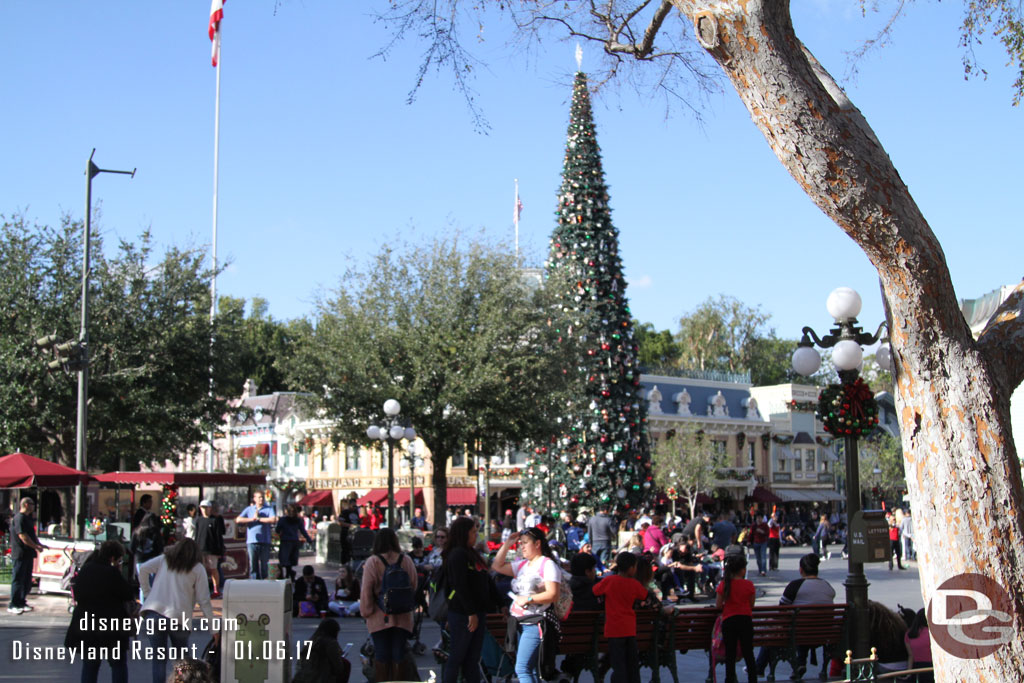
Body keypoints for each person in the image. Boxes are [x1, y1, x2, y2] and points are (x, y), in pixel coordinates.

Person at [139, 538, 218, 683]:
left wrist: (147, 593)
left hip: (154, 613)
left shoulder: (165, 560)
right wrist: (213, 629)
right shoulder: (197, 568)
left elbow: (143, 568)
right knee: (183, 661)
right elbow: (204, 601)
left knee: (158, 659)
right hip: (178, 618)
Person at [492, 528, 560, 683]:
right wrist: (508, 543)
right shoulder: (523, 565)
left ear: (537, 544)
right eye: (520, 543)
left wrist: (528, 599)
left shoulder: (547, 564)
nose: (521, 546)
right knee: (532, 669)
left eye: (525, 543)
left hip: (536, 622)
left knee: (522, 669)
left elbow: (553, 594)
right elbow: (497, 565)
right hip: (522, 623)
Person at [754, 553, 835, 677]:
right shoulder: (827, 586)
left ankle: (759, 667)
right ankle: (800, 662)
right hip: (823, 633)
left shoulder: (795, 586)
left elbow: (782, 611)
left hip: (799, 633)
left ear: (801, 570)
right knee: (805, 622)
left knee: (774, 627)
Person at [64, 540, 134, 683]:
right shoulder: (112, 572)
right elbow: (127, 594)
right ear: (113, 558)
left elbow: (77, 593)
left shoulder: (86, 568)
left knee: (90, 665)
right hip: (111, 625)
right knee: (118, 664)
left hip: (87, 624)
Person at [441, 516, 497, 683]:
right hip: (463, 613)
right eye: (473, 532)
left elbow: (486, 580)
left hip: (477, 611)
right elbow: (460, 585)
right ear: (463, 534)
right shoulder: (457, 554)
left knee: (472, 660)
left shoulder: (471, 553)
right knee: (457, 657)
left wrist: (500, 604)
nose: (476, 536)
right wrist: (470, 612)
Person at [359, 528, 418, 682]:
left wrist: (366, 611)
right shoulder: (406, 560)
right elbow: (414, 584)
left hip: (379, 616)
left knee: (381, 654)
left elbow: (366, 590)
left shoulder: (373, 562)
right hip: (403, 615)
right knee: (399, 653)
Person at [593, 552, 649, 683]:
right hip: (629, 628)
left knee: (618, 664)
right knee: (632, 663)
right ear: (631, 568)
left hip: (613, 628)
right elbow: (645, 596)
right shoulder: (634, 584)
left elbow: (595, 591)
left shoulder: (609, 581)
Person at [715, 554, 757, 683]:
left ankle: (730, 678)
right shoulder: (749, 585)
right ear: (743, 570)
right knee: (748, 652)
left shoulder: (724, 585)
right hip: (745, 620)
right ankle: (752, 678)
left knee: (730, 652)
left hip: (729, 621)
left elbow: (718, 605)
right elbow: (751, 604)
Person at [9, 498, 45, 615]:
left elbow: (32, 535)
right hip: (20, 553)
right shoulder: (19, 518)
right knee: (18, 579)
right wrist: (35, 546)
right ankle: (13, 604)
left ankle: (21, 601)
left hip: (28, 554)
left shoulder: (28, 519)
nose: (34, 506)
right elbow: (23, 536)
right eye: (32, 504)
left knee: (26, 580)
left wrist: (39, 544)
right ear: (25, 505)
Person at [292, 618, 352, 683]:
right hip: (321, 679)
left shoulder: (310, 642)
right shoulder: (330, 643)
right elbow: (339, 668)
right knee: (346, 664)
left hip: (301, 679)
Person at [236, 491, 278, 580]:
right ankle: (254, 584)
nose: (261, 499)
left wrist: (259, 519)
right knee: (253, 566)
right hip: (252, 541)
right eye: (259, 497)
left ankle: (265, 583)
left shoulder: (268, 509)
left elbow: (273, 519)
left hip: (264, 541)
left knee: (264, 565)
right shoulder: (249, 509)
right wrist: (252, 519)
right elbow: (238, 519)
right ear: (254, 499)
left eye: (262, 497)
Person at [131, 507, 165, 598]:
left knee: (143, 586)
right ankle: (152, 605)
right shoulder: (155, 531)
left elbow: (132, 547)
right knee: (153, 584)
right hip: (153, 560)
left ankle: (143, 605)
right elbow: (160, 547)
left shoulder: (137, 531)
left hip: (140, 560)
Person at [195, 500, 226, 598]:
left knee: (213, 569)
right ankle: (201, 590)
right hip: (201, 549)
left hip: (212, 549)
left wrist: (219, 551)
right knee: (201, 570)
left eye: (206, 508)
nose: (204, 510)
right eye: (202, 508)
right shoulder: (199, 520)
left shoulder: (214, 520)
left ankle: (216, 590)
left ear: (210, 508)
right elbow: (197, 535)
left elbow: (218, 537)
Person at [276, 504, 314, 581]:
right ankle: (290, 573)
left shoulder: (283, 520)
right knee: (290, 560)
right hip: (294, 541)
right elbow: (303, 531)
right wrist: (308, 539)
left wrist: (280, 532)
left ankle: (288, 574)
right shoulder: (298, 520)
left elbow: (277, 529)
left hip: (286, 541)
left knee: (285, 560)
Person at [904, 608, 933, 682]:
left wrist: (908, 673)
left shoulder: (909, 634)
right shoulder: (932, 633)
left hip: (916, 668)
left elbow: (911, 656)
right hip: (931, 668)